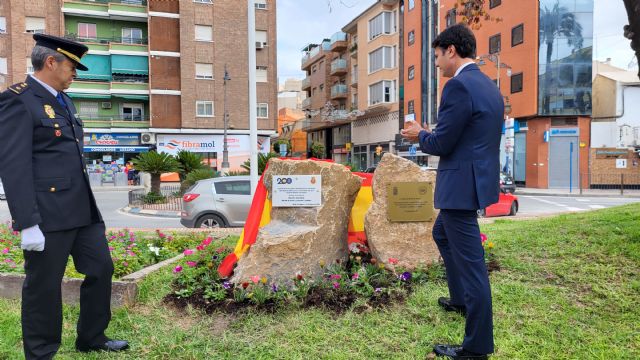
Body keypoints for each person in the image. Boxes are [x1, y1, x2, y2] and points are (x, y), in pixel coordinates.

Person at [0, 34, 129, 359]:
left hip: (81, 211)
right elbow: (13, 166)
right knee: (43, 286)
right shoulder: (18, 100)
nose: (76, 73)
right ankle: (41, 352)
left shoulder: (64, 100)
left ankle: (91, 337)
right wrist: (27, 223)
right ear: (51, 62)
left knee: (101, 268)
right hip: (47, 214)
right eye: (72, 66)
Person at [401, 24, 503, 359]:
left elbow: (443, 143)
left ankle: (476, 348)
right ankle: (459, 299)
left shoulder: (458, 87)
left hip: (459, 187)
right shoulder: (489, 86)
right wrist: (432, 133)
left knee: (474, 269)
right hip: (476, 181)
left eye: (437, 56)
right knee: (441, 235)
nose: (437, 63)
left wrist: (419, 134)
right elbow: (470, 138)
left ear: (451, 51)